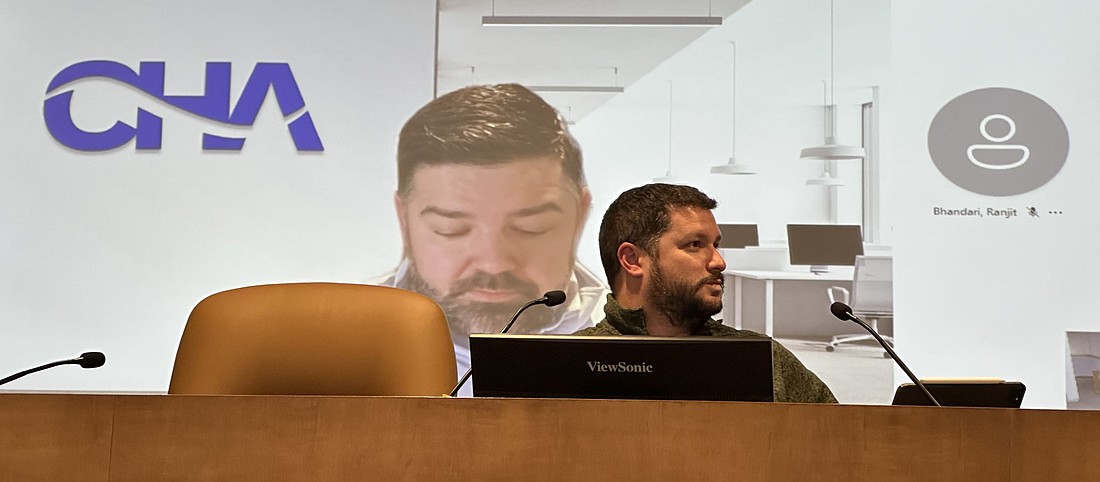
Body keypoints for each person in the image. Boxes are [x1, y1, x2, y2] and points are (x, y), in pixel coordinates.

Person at [376, 84, 609, 386]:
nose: (493, 263)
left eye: (531, 227)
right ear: (404, 220)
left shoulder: (633, 336)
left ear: (580, 214)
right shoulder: (346, 339)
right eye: (452, 229)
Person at [574, 183, 837, 403]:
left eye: (716, 245)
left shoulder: (758, 360)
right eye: (695, 244)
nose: (718, 262)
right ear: (632, 260)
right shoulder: (568, 363)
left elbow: (841, 441)